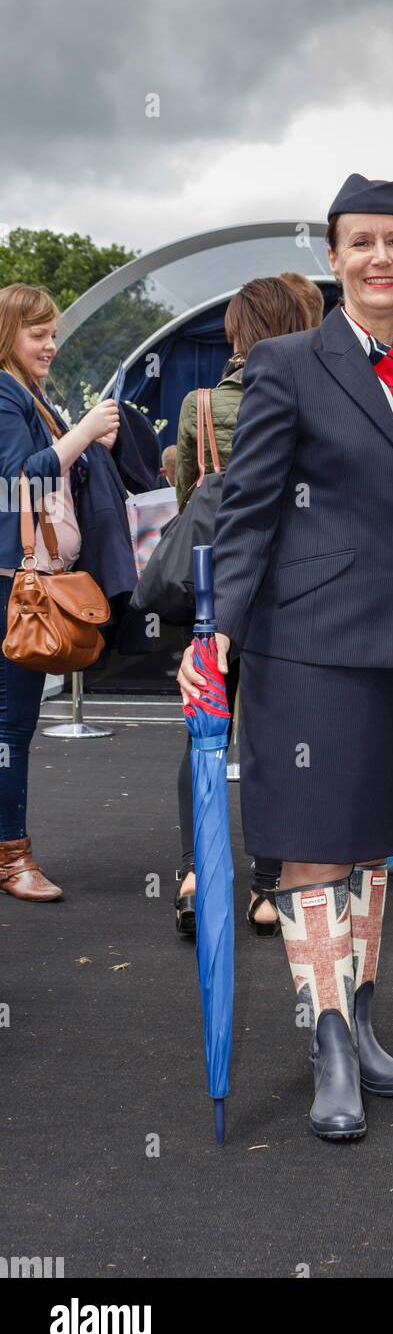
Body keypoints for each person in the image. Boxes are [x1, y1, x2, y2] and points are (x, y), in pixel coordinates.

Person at [177, 175, 393, 1141]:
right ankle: (328, 1039)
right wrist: (215, 635)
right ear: (334, 259)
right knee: (311, 845)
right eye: (362, 242)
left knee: (374, 843)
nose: (383, 258)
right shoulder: (290, 362)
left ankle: (365, 1025)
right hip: (303, 647)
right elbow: (248, 509)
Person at [171, 276, 316, 937]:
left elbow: (183, 502)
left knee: (206, 730)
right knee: (278, 739)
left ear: (234, 333)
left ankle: (197, 875)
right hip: (290, 591)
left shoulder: (200, 405)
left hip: (215, 591)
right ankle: (268, 887)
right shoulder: (314, 394)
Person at [0, 283, 119, 900]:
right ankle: (12, 858)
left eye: (52, 334)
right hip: (13, 583)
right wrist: (84, 433)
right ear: (8, 335)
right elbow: (20, 475)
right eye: (36, 334)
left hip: (20, 579)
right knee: (11, 725)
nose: (49, 345)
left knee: (11, 723)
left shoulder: (28, 392)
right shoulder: (5, 390)